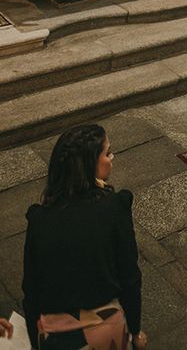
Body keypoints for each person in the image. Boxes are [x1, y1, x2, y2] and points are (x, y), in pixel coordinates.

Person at [22, 124, 147, 350]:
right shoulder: (114, 208)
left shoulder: (39, 219)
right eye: (107, 152)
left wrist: (35, 340)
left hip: (54, 336)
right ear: (90, 165)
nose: (112, 157)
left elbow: (31, 290)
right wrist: (135, 332)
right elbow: (130, 278)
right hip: (103, 333)